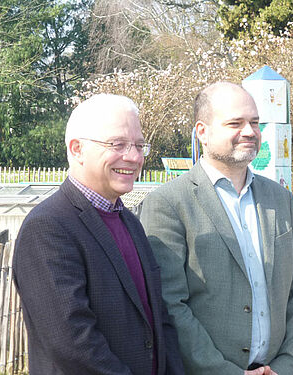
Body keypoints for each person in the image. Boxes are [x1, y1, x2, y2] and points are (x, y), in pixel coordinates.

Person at [141, 82, 293, 375]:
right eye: (235, 123)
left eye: (255, 123)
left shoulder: (279, 198)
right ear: (202, 132)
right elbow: (170, 305)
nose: (249, 132)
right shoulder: (168, 204)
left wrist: (286, 365)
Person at [13, 94, 184, 375]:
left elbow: (158, 319)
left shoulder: (130, 221)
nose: (133, 156)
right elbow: (72, 343)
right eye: (117, 144)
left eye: (139, 145)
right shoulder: (48, 227)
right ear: (77, 149)